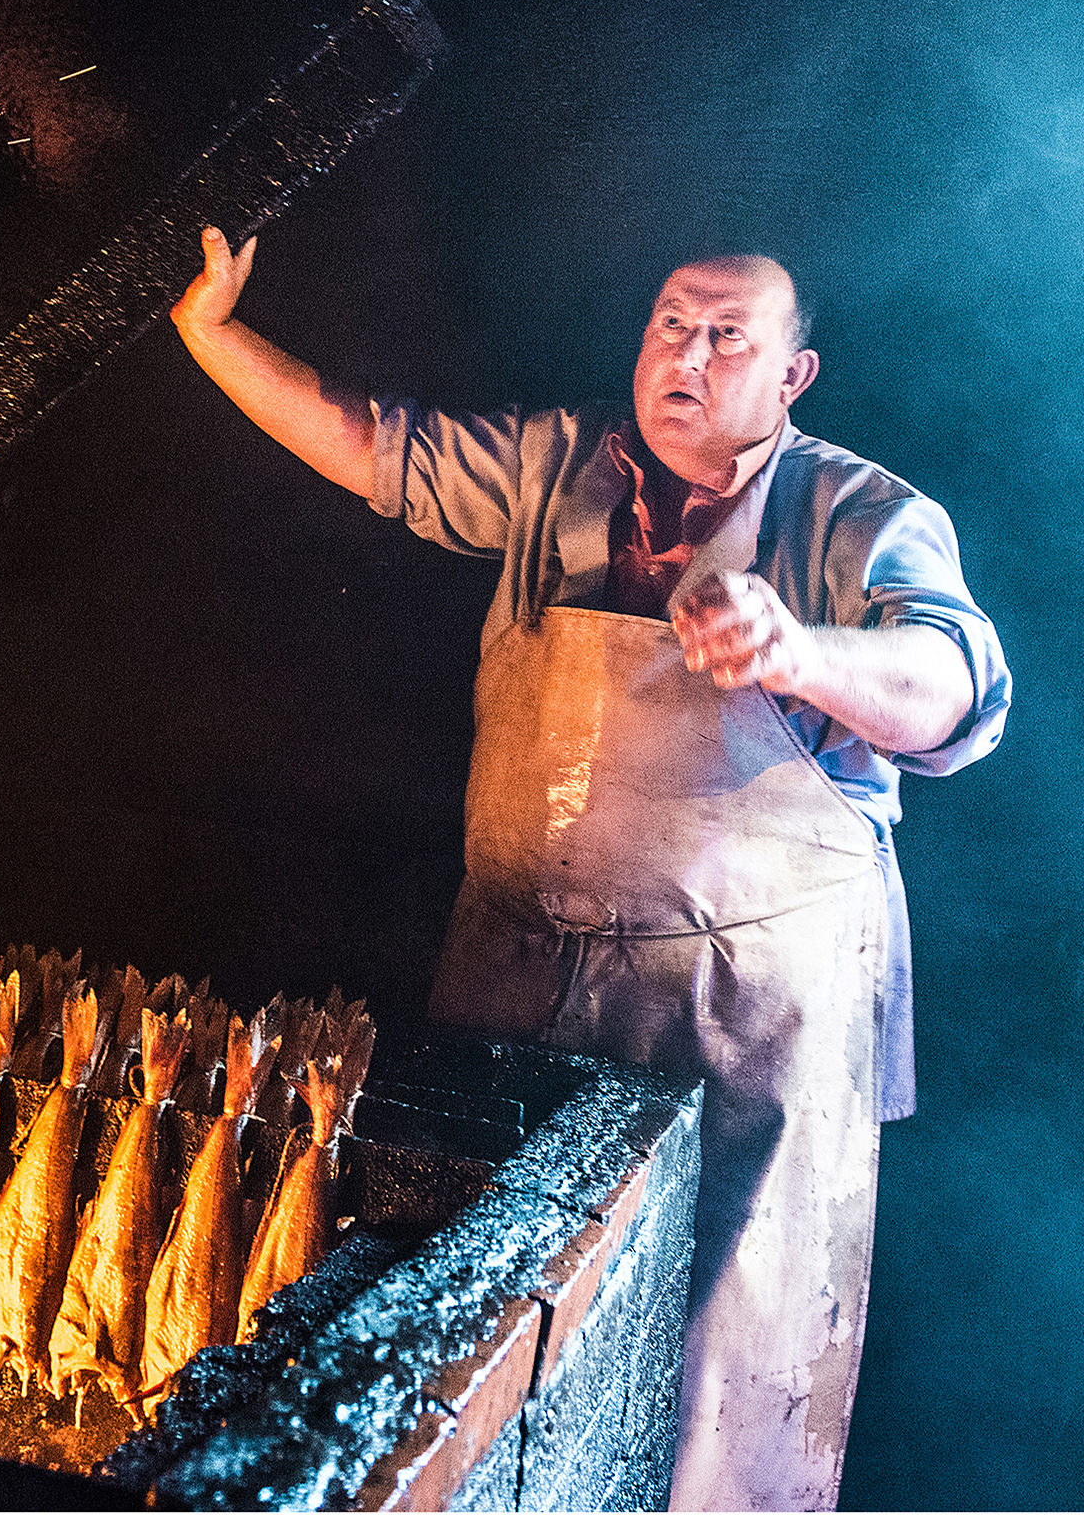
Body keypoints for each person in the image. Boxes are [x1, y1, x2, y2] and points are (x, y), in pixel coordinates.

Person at [172, 227, 1010, 1511]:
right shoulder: (555, 466)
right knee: (473, 1342)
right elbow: (375, 445)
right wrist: (213, 336)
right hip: (518, 967)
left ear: (796, 376)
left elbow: (958, 688)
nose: (690, 351)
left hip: (743, 1019)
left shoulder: (863, 513)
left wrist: (796, 651)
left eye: (731, 334)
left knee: (704, 1374)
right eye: (672, 323)